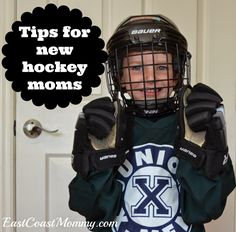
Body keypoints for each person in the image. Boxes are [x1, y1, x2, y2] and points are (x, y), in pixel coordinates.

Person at [68, 15, 235, 232]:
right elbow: (92, 210)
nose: (149, 77)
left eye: (162, 67)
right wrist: (96, 161)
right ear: (118, 76)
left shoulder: (198, 124)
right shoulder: (105, 126)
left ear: (177, 73)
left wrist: (205, 148)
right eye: (136, 68)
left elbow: (205, 208)